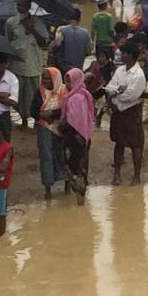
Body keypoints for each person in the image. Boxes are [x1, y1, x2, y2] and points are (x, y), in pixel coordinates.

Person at [105, 41, 147, 185]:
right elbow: (109, 87)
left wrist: (115, 93)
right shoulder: (120, 70)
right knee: (119, 143)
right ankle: (117, 174)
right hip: (118, 112)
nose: (121, 55)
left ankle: (136, 176)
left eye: (123, 53)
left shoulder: (139, 75)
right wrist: (118, 91)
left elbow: (131, 95)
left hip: (131, 112)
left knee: (136, 145)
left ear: (130, 55)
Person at [5, 0, 49, 129]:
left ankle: (35, 120)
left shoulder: (38, 23)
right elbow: (8, 42)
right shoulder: (11, 22)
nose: (20, 8)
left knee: (33, 96)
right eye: (18, 5)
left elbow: (44, 43)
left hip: (33, 65)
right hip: (16, 65)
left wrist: (32, 29)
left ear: (29, 7)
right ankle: (23, 120)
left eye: (23, 5)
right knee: (18, 96)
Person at [30, 67, 66, 200]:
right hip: (43, 126)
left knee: (63, 154)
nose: (45, 81)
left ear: (55, 79)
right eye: (43, 78)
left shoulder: (64, 91)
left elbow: (68, 109)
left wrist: (53, 114)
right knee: (46, 156)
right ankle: (48, 188)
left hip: (61, 127)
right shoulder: (39, 92)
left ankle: (67, 184)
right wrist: (42, 116)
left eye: (48, 78)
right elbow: (32, 111)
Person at [60, 68, 93, 206]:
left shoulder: (75, 98)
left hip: (74, 138)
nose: (67, 84)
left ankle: (80, 202)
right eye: (66, 80)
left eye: (69, 81)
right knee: (81, 167)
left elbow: (73, 121)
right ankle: (81, 201)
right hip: (83, 138)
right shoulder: (84, 95)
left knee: (75, 169)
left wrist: (62, 124)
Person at [53, 9, 90, 74]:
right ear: (79, 19)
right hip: (78, 69)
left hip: (63, 68)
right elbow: (88, 52)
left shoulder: (61, 29)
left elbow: (56, 45)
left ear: (68, 17)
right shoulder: (86, 33)